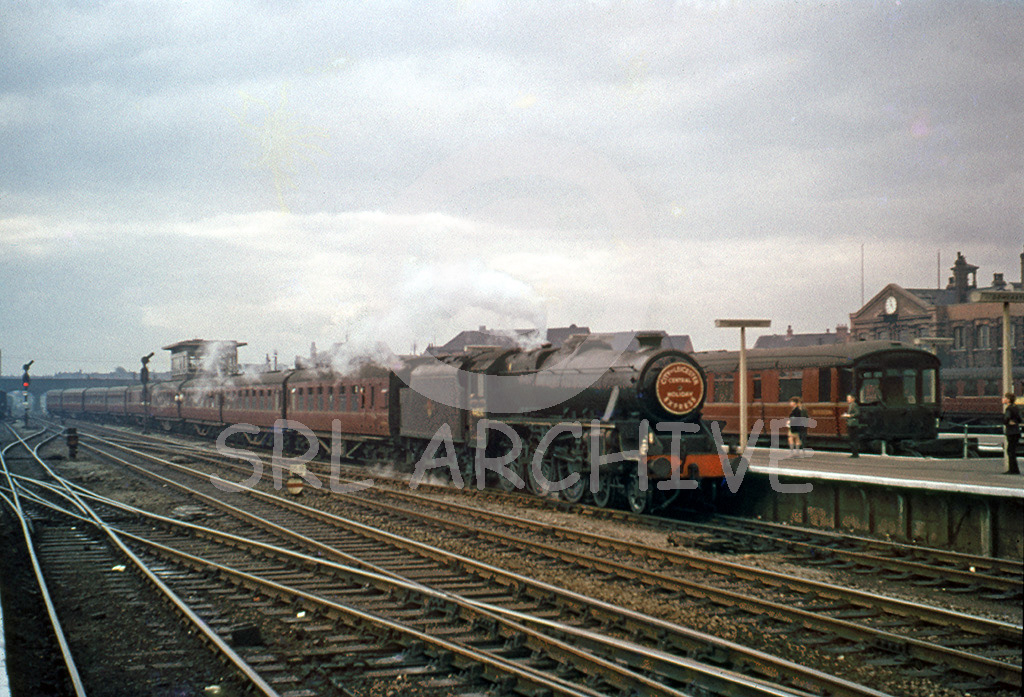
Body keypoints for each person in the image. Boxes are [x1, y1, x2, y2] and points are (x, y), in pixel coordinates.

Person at [1003, 392, 1021, 475]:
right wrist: (1015, 421)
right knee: (1013, 450)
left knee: (1010, 451)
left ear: (1008, 399)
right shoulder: (1016, 407)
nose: (1003, 399)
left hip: (1011, 432)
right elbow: (1020, 419)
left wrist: (1007, 422)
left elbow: (1006, 419)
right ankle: (1015, 469)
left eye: (1005, 398)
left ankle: (1012, 470)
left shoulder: (1009, 409)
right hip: (1016, 431)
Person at [842, 394, 860, 458]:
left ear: (853, 399)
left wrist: (849, 416)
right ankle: (854, 453)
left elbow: (857, 413)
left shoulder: (854, 405)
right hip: (851, 424)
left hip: (853, 424)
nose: (847, 399)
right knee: (852, 439)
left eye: (849, 398)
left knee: (853, 439)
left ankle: (855, 454)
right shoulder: (851, 405)